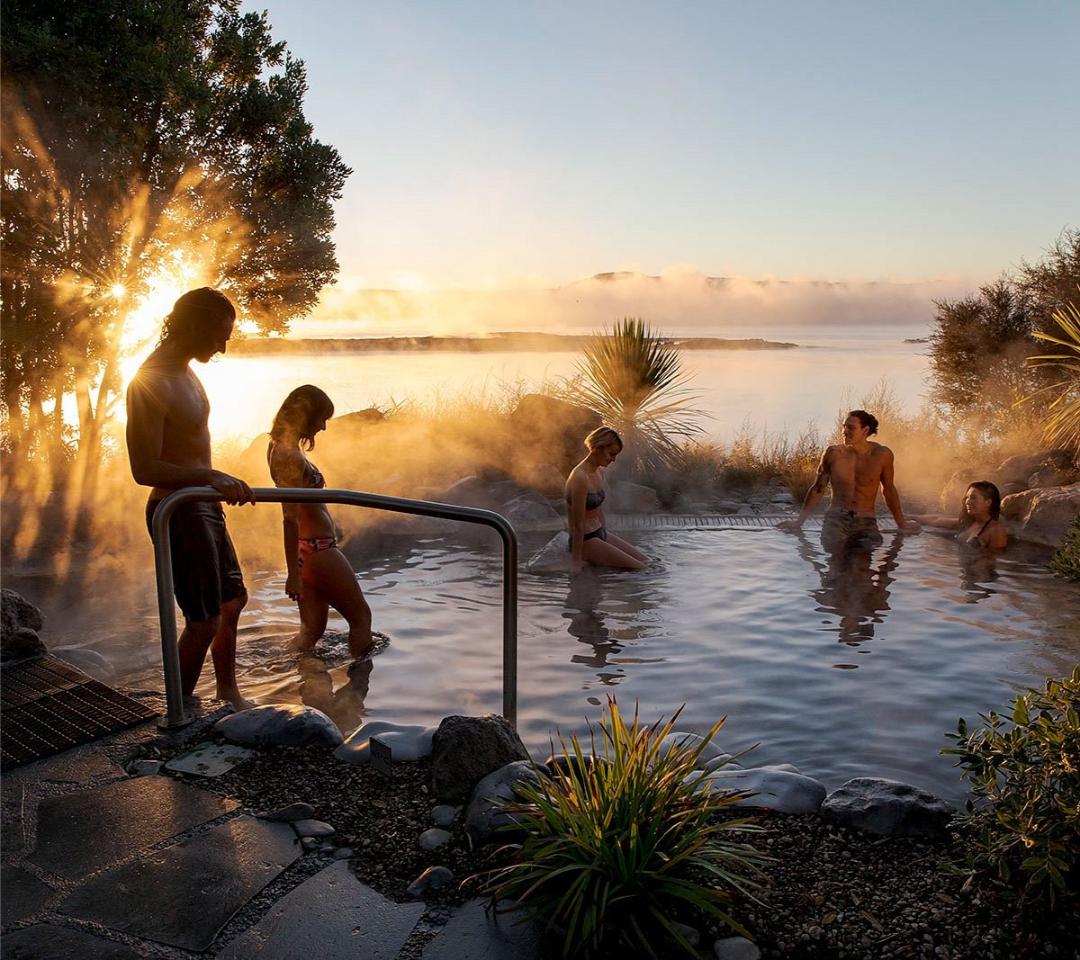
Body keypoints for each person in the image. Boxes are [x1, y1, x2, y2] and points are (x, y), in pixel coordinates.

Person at [126, 287, 255, 709]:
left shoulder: (184, 370)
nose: (222, 348)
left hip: (203, 504)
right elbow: (144, 467)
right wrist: (211, 476)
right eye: (220, 336)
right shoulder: (152, 379)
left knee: (232, 601)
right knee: (203, 620)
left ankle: (227, 693)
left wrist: (210, 485)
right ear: (196, 325)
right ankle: (178, 712)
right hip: (179, 511)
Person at [268, 385, 374, 657]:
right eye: (321, 419)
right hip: (319, 551)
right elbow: (289, 518)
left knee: (311, 631)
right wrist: (293, 574)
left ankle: (286, 671)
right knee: (361, 618)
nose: (323, 427)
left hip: (309, 551)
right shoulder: (288, 456)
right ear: (306, 415)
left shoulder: (283, 448)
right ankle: (361, 680)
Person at [779, 409, 920, 548]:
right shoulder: (833, 453)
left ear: (865, 430)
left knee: (866, 552)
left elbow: (888, 490)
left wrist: (901, 524)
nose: (844, 431)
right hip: (836, 518)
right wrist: (798, 523)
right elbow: (818, 489)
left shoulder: (881, 455)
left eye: (851, 428)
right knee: (835, 552)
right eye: (844, 427)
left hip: (865, 520)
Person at [565, 426, 648, 571]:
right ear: (597, 448)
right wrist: (576, 561)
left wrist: (605, 537)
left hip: (600, 533)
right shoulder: (580, 478)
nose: (613, 460)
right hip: (585, 540)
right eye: (611, 454)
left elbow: (598, 509)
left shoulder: (599, 472)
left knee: (648, 561)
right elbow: (577, 525)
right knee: (641, 569)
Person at [910, 481, 1008, 551]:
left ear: (988, 502)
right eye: (967, 497)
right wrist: (910, 517)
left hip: (978, 572)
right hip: (963, 569)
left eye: (973, 498)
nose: (967, 501)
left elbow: (995, 560)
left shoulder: (996, 530)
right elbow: (937, 520)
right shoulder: (969, 522)